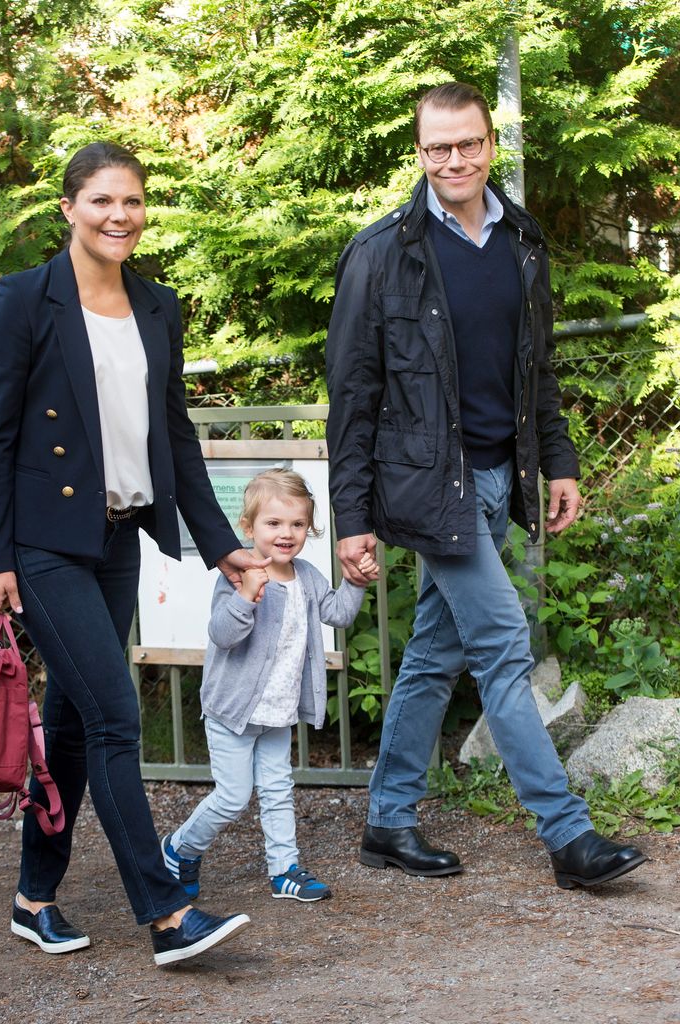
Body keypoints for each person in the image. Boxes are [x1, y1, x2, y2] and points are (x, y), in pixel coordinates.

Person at [325, 82, 646, 889]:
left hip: (504, 475)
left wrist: (560, 462)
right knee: (503, 646)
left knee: (434, 654)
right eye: (437, 147)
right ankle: (569, 838)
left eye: (467, 143)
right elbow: (353, 394)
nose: (454, 160)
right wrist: (350, 517)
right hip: (432, 485)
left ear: (490, 146)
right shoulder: (381, 252)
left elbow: (536, 371)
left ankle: (387, 822)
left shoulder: (521, 242)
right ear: (419, 152)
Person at [0, 141, 270, 966]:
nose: (119, 216)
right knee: (112, 715)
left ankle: (34, 899)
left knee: (70, 724)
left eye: (133, 201)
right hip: (42, 543)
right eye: (102, 200)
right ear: (68, 207)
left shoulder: (157, 306)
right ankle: (167, 913)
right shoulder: (26, 300)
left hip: (116, 540)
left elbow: (172, 434)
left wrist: (221, 548)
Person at [162, 469, 377, 902]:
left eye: (297, 524)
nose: (287, 533)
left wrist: (354, 580)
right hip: (232, 712)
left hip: (278, 711)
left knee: (278, 791)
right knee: (233, 797)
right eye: (274, 523)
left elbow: (337, 614)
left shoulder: (309, 576)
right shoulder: (238, 576)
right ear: (249, 528)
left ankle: (285, 871)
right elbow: (223, 635)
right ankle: (178, 848)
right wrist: (246, 597)